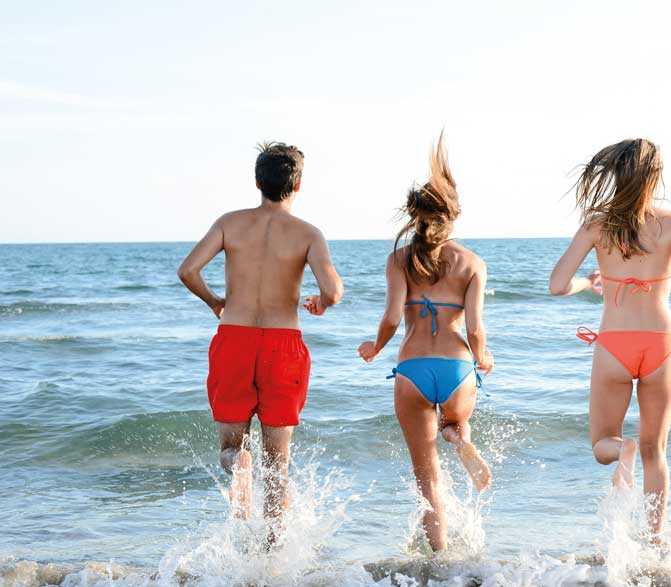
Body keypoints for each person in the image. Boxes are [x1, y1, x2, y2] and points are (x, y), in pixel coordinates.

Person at [177, 141, 343, 539]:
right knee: (278, 463)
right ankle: (272, 551)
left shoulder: (230, 223)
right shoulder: (307, 233)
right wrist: (320, 302)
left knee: (233, 449)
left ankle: (239, 489)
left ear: (257, 181)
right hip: (283, 342)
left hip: (234, 338)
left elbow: (188, 270)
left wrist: (216, 301)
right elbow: (334, 292)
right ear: (298, 185)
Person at [550, 138, 671, 537]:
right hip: (661, 342)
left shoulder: (596, 224)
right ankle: (656, 540)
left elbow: (557, 284)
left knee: (602, 444)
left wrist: (587, 284)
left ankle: (620, 448)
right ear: (655, 177)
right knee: (655, 451)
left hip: (614, 344)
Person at [357, 133, 493, 553]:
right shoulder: (472, 263)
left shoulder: (399, 259)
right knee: (454, 421)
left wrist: (374, 348)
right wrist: (483, 356)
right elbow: (474, 330)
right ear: (454, 215)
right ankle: (458, 436)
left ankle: (440, 558)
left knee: (427, 478)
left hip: (413, 369)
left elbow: (392, 318)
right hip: (457, 369)